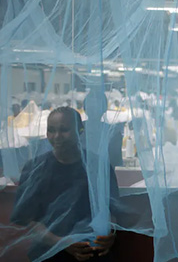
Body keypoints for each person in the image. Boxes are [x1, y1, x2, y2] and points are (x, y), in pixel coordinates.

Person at [10, 107, 118, 262]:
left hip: (92, 251)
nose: (57, 136)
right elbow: (28, 220)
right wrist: (61, 243)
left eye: (64, 130)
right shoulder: (35, 169)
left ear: (80, 131)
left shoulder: (98, 167)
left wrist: (110, 235)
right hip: (49, 252)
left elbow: (111, 210)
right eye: (51, 130)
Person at [83, 91, 124, 167]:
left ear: (104, 109)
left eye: (97, 107)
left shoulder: (113, 132)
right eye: (91, 106)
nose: (94, 110)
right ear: (85, 108)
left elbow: (115, 161)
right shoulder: (78, 129)